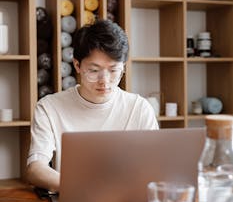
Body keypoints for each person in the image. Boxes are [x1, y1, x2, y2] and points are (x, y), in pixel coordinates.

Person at [27, 19, 159, 192]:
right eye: (94, 71)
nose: (104, 81)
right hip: (74, 197)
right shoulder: (49, 108)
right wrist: (78, 188)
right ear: (77, 65)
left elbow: (156, 166)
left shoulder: (139, 108)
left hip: (127, 199)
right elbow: (35, 168)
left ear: (123, 67)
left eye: (113, 70)